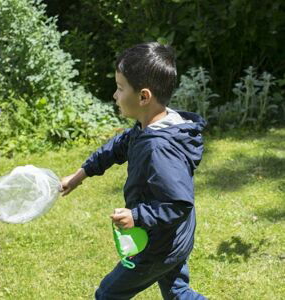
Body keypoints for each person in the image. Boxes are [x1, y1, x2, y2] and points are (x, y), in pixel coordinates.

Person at [61, 42, 207, 300]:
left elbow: (178, 202)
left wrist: (137, 216)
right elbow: (118, 147)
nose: (115, 95)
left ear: (143, 97)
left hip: (159, 245)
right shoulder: (150, 125)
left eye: (120, 88)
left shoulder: (159, 147)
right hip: (173, 236)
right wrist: (81, 174)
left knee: (107, 294)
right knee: (178, 292)